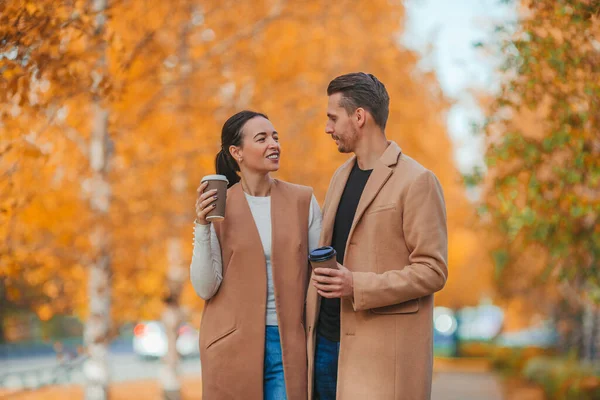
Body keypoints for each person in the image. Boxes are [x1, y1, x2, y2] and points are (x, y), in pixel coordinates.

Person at [305, 73, 448, 399]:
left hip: (380, 362)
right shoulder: (340, 176)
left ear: (359, 117)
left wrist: (357, 285)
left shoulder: (417, 180)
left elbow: (433, 270)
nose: (327, 128)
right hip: (326, 346)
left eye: (332, 117)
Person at [190, 110, 322, 400]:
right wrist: (201, 225)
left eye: (275, 137)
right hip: (229, 344)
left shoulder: (303, 201)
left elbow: (320, 276)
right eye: (261, 138)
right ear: (236, 152)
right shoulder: (219, 207)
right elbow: (205, 287)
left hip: (288, 344)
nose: (273, 144)